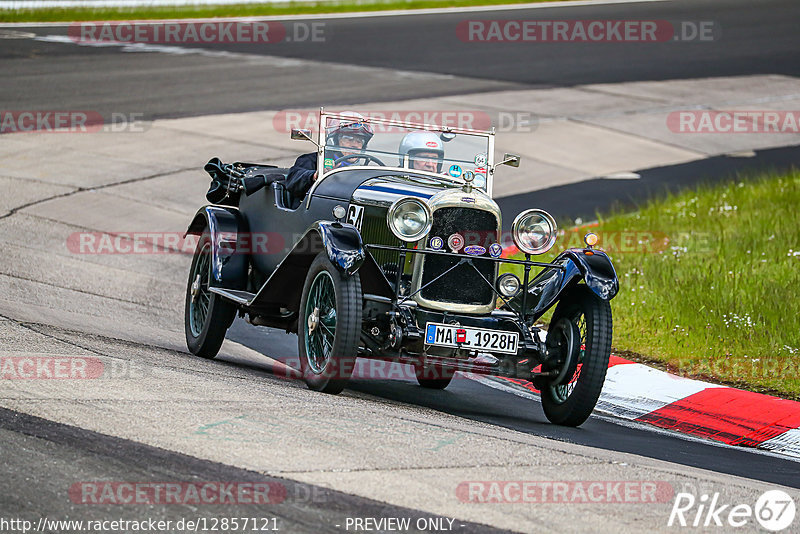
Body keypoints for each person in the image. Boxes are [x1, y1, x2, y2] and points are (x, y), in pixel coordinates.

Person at [285, 111, 374, 200]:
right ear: (334, 141)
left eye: (359, 141)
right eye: (349, 139)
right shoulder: (313, 160)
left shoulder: (363, 170)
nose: (354, 145)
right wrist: (316, 175)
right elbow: (292, 181)